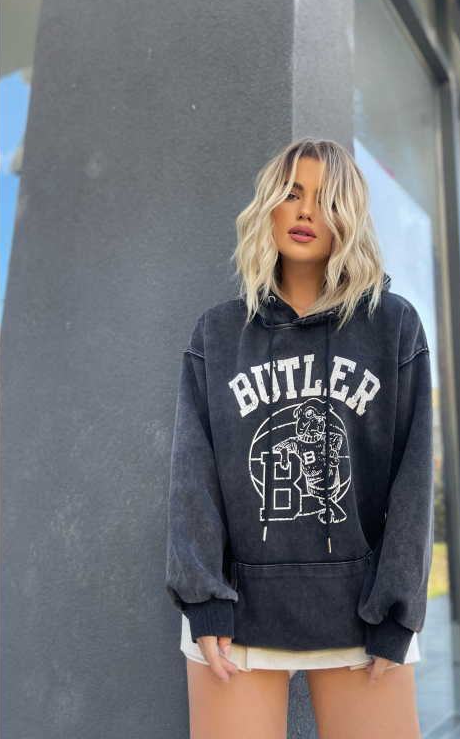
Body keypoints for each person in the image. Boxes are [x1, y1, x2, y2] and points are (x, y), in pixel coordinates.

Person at [165, 138, 434, 739]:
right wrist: (204, 599)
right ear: (269, 206)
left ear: (349, 216)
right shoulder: (219, 333)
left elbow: (412, 481)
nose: (306, 210)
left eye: (326, 198)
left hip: (362, 614)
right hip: (235, 616)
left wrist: (396, 612)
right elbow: (193, 475)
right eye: (292, 193)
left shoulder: (392, 326)